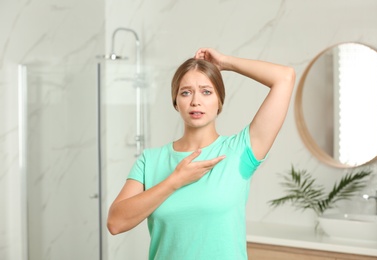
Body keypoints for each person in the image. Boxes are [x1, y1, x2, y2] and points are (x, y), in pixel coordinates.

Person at [107, 48, 295, 260]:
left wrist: (225, 62)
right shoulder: (150, 160)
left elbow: (284, 77)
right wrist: (175, 180)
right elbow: (115, 223)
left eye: (206, 91)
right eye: (186, 92)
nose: (196, 101)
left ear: (219, 102)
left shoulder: (240, 151)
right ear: (176, 102)